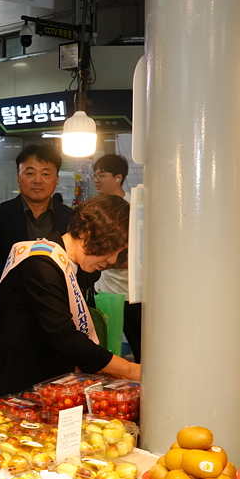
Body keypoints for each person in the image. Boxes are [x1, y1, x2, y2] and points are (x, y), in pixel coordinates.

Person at [0, 195, 139, 405]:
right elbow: (64, 336)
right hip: (8, 388)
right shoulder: (40, 264)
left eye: (119, 251)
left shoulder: (75, 266)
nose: (113, 259)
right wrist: (130, 369)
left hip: (41, 387)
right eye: (111, 248)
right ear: (88, 232)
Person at [0, 144, 73, 346]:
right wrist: (32, 279)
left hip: (58, 323)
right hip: (6, 323)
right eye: (30, 173)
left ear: (56, 179)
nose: (37, 180)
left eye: (46, 173)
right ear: (18, 177)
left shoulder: (71, 219)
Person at [91, 153, 142, 361]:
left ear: (118, 178)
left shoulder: (133, 207)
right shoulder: (97, 208)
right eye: (95, 175)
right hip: (104, 292)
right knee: (105, 348)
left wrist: (105, 262)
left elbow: (139, 252)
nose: (96, 179)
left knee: (141, 348)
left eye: (102, 175)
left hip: (131, 294)